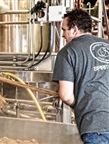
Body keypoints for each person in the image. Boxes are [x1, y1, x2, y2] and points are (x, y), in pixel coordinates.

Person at [52, 8, 109, 143]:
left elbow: (66, 95)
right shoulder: (107, 45)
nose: (63, 35)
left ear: (75, 29)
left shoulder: (67, 52)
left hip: (96, 126)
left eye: (64, 30)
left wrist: (83, 104)